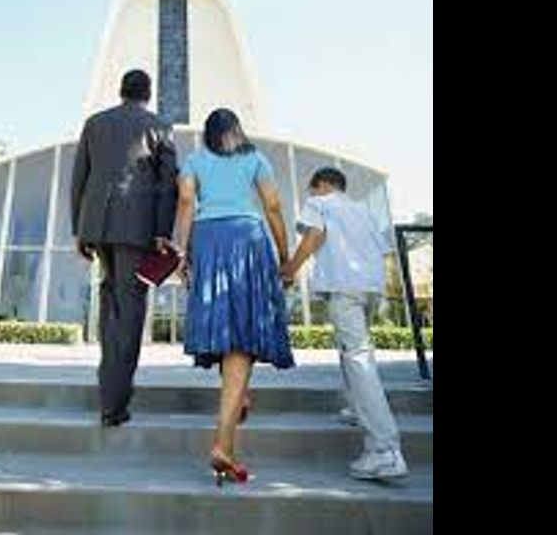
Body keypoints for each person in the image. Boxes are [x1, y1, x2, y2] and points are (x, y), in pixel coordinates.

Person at [173, 108, 294, 486]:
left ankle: (239, 397)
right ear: (238, 131)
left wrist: (182, 252)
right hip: (247, 238)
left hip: (208, 240)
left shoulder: (194, 160)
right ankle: (223, 444)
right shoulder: (255, 159)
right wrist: (285, 255)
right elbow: (273, 206)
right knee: (242, 334)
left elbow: (186, 202)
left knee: (228, 326)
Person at [280, 167, 408, 480]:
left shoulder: (320, 203)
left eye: (312, 189)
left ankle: (384, 450)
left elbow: (314, 236)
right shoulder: (363, 210)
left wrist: (290, 269)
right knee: (355, 352)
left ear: (323, 185)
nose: (311, 195)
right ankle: (356, 408)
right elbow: (384, 251)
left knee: (358, 360)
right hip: (370, 288)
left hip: (344, 288)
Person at [70, 69, 179, 427]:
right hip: (137, 230)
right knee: (129, 310)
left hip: (98, 227)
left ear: (121, 91)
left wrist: (79, 231)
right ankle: (113, 404)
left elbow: (79, 179)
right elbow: (168, 185)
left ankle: (110, 390)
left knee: (111, 306)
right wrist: (163, 233)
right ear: (148, 94)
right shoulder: (159, 127)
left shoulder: (94, 123)